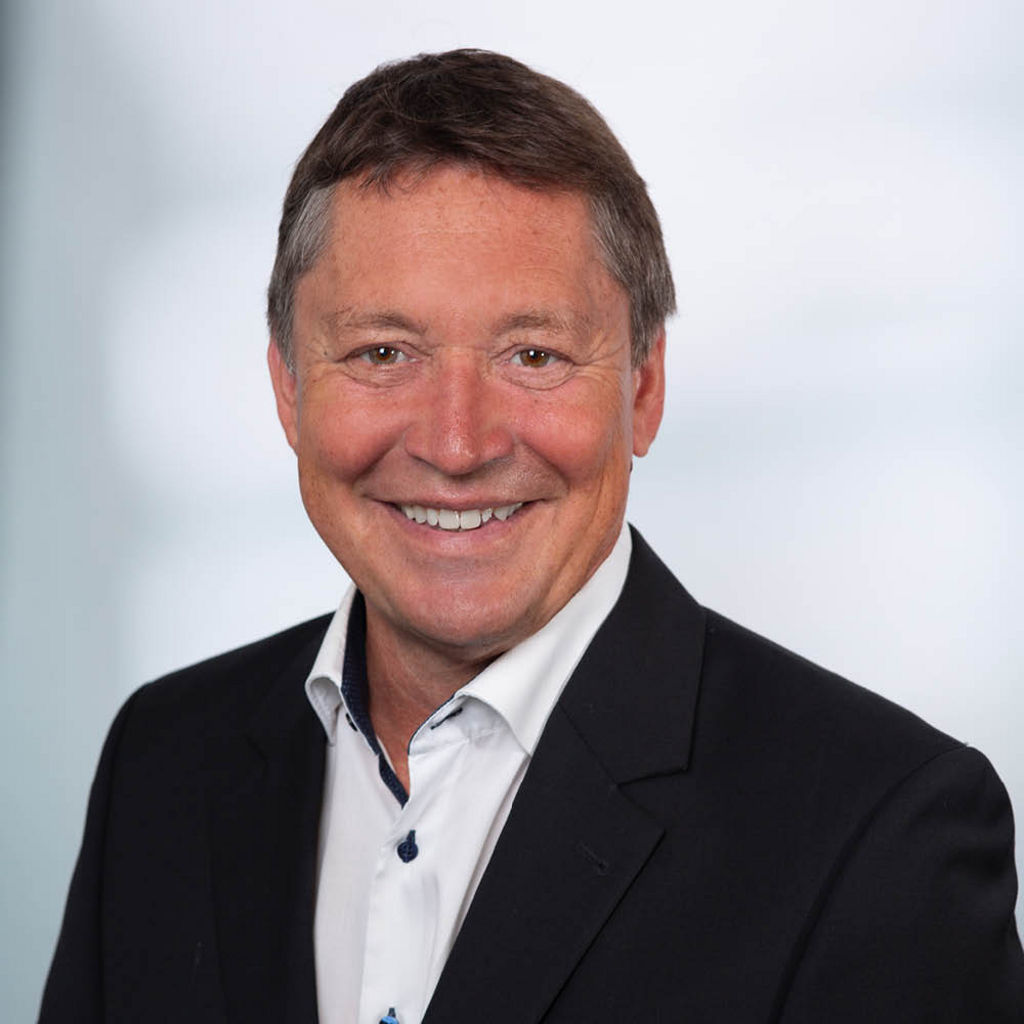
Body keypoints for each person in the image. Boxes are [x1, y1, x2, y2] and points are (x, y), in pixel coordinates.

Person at [41, 49, 1023, 1024]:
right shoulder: (163, 763)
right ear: (288, 388)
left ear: (644, 389)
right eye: (383, 352)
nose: (456, 444)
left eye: (534, 355)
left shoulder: (882, 837)